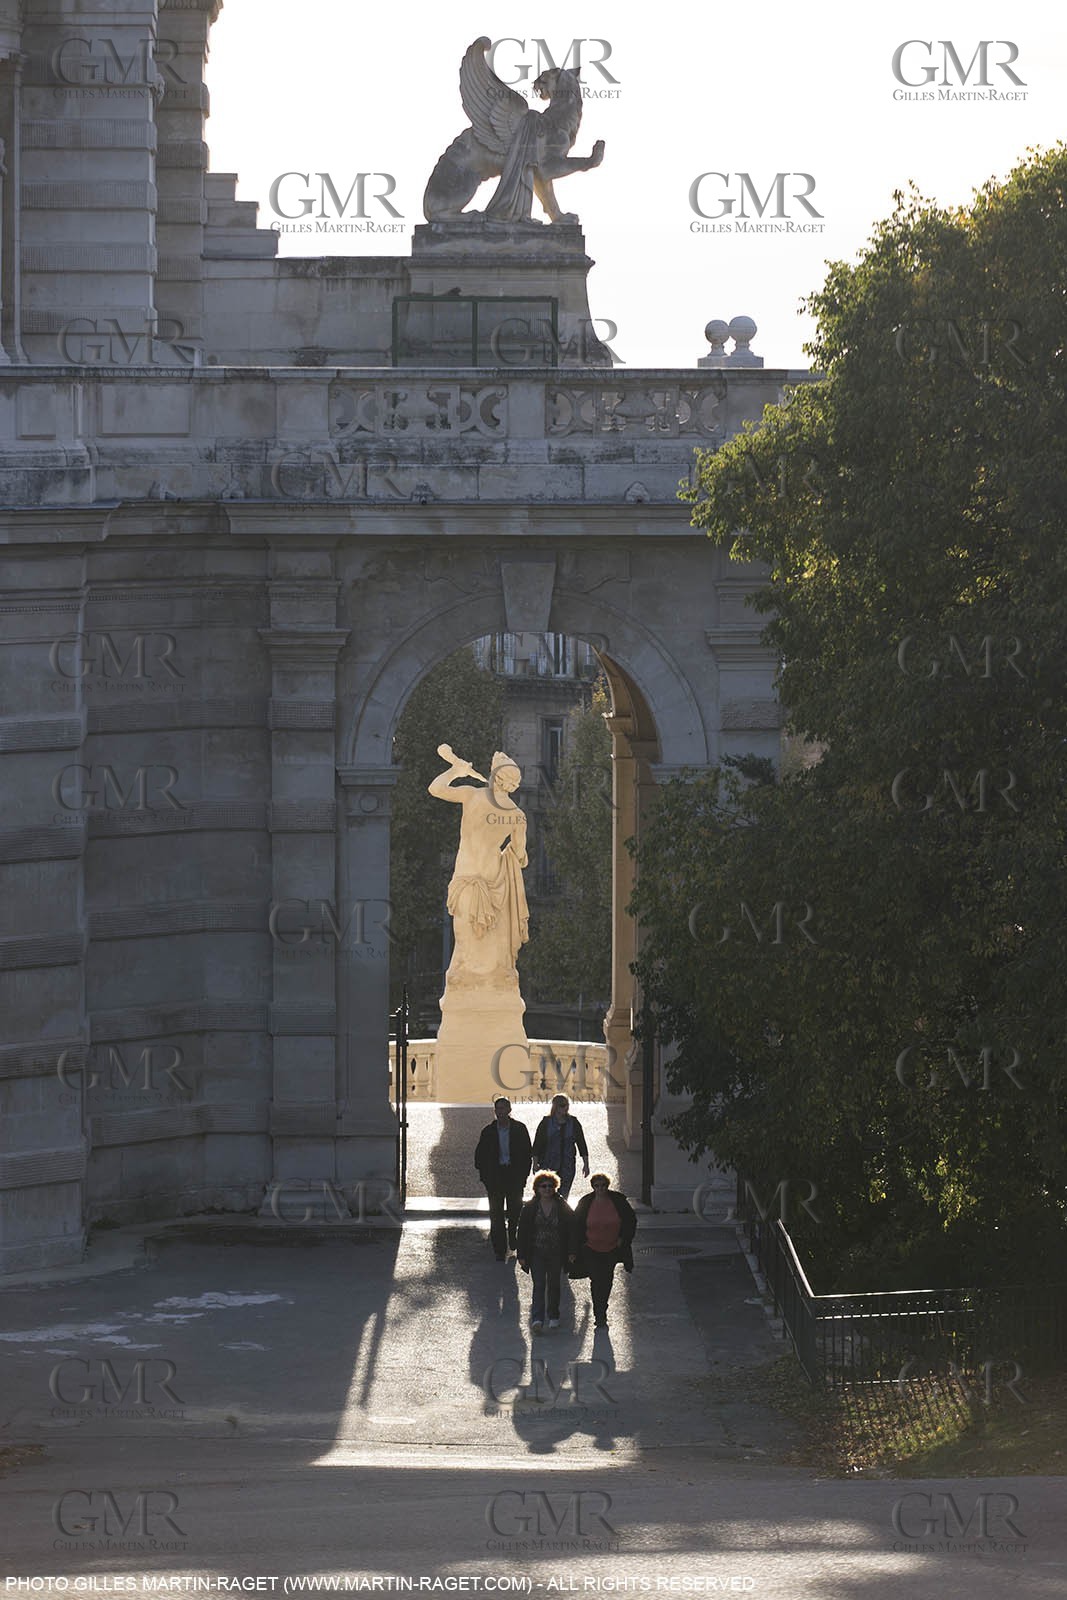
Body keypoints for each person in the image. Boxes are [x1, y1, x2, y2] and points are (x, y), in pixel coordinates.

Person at [569, 1172, 637, 1330]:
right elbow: (576, 1226)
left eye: (603, 1185)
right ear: (593, 1187)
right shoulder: (586, 1202)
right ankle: (599, 1314)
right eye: (597, 1186)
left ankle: (602, 1307)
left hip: (612, 1248)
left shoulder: (618, 1201)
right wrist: (573, 1250)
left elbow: (630, 1221)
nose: (600, 1188)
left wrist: (623, 1238)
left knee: (606, 1281)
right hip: (591, 1248)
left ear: (608, 1186)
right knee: (596, 1279)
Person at [516, 1170, 574, 1333]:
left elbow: (572, 1228)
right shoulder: (530, 1207)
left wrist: (572, 1251)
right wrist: (521, 1255)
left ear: (555, 1187)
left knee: (554, 1284)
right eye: (544, 1186)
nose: (547, 1189)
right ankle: (537, 1319)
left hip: (556, 1252)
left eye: (550, 1186)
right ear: (537, 1188)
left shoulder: (561, 1206)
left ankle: (553, 1315)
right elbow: (522, 1232)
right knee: (539, 1284)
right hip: (536, 1252)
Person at [474, 1097, 532, 1260]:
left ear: (509, 1110)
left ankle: (513, 1238)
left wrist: (523, 1176)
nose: (500, 1112)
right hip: (495, 1177)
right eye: (497, 1109)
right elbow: (479, 1157)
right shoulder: (488, 1131)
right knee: (496, 1215)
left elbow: (527, 1153)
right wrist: (486, 1178)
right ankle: (499, 1249)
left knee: (515, 1212)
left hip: (514, 1176)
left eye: (502, 1108)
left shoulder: (519, 1129)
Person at [532, 1093, 590, 1200]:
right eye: (562, 1105)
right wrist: (535, 1163)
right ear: (555, 1107)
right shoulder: (546, 1122)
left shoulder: (574, 1122)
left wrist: (586, 1164)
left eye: (567, 1105)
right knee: (547, 1193)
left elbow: (581, 1144)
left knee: (563, 1196)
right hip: (548, 1164)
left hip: (567, 1165)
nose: (566, 1108)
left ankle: (561, 1210)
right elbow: (537, 1144)